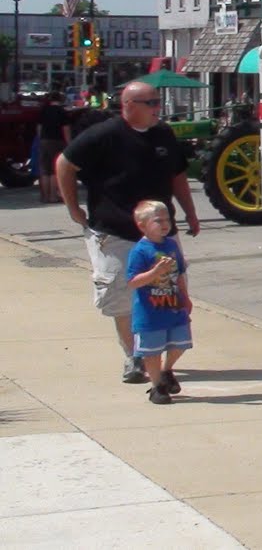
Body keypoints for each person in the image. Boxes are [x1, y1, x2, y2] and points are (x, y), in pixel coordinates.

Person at [56, 78, 200, 386]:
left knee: (168, 293)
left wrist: (190, 212)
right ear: (129, 106)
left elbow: (178, 175)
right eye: (151, 103)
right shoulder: (103, 135)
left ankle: (158, 357)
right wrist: (73, 208)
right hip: (115, 231)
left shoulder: (164, 134)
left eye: (158, 102)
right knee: (123, 296)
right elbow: (64, 164)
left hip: (161, 231)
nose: (157, 109)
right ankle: (134, 355)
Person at [125, 200, 192, 405]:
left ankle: (166, 370)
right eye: (158, 220)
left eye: (167, 219)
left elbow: (180, 273)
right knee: (152, 351)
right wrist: (155, 273)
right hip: (150, 311)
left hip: (173, 306)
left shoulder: (171, 245)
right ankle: (157, 387)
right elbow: (132, 282)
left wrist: (185, 296)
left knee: (180, 343)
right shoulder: (140, 251)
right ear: (142, 225)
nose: (165, 224)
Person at [36, 91, 72, 204]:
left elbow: (39, 128)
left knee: (45, 170)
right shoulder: (62, 112)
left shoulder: (43, 111)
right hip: (58, 141)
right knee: (54, 170)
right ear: (60, 99)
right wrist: (69, 143)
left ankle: (45, 197)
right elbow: (66, 129)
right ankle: (53, 196)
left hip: (44, 141)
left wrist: (40, 140)